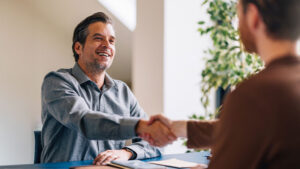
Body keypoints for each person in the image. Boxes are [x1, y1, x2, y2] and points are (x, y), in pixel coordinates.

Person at [143, 0, 300, 168]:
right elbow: (248, 129)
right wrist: (179, 128)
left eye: (238, 14)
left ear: (253, 16)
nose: (236, 24)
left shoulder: (254, 94)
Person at [40, 12, 176, 165]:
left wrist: (126, 152)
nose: (107, 45)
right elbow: (85, 121)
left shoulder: (123, 91)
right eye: (98, 38)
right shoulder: (57, 82)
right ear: (78, 47)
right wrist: (141, 126)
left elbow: (153, 142)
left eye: (111, 41)